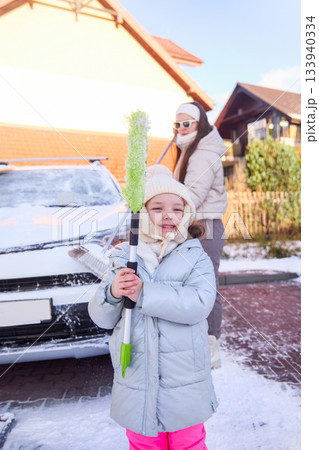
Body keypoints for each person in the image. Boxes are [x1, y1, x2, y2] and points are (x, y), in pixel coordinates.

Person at [88, 165, 218, 449]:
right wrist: (112, 293)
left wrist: (145, 294)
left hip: (184, 377)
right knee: (145, 444)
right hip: (137, 376)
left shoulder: (195, 257)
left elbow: (199, 303)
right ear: (141, 215)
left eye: (177, 208)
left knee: (189, 443)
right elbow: (102, 318)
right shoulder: (124, 257)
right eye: (157, 208)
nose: (168, 215)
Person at [173, 101, 228, 368]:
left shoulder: (203, 154)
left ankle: (210, 348)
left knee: (205, 286)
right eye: (178, 124)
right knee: (195, 284)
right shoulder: (190, 150)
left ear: (199, 124)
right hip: (195, 225)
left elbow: (192, 195)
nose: (181, 129)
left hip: (204, 226)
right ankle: (199, 343)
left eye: (187, 124)